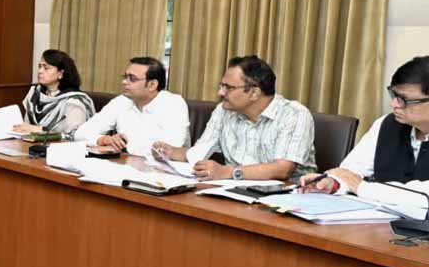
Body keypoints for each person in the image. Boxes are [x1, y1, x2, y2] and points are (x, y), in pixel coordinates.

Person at [152, 55, 317, 180]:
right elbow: (200, 152)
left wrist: (228, 172)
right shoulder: (224, 110)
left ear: (254, 92)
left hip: (286, 197)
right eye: (221, 86)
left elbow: (282, 169)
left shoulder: (294, 114)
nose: (220, 92)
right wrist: (171, 153)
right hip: (236, 190)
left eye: (228, 87)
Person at [300, 56, 429, 209]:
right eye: (394, 95)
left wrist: (362, 187)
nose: (394, 104)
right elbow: (350, 171)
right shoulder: (386, 124)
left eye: (404, 99)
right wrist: (333, 183)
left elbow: (423, 196)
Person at [74, 56, 189, 155]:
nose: (124, 82)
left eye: (132, 79)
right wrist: (104, 140)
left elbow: (168, 150)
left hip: (162, 169)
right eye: (125, 77)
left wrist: (124, 146)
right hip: (125, 165)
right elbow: (80, 134)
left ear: (152, 85)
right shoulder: (121, 101)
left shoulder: (173, 104)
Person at [12, 49, 96, 136]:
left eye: (46, 68)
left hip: (60, 145)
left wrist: (41, 130)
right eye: (39, 67)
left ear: (61, 73)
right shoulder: (35, 94)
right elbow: (26, 127)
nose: (40, 71)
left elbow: (74, 136)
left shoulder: (74, 101)